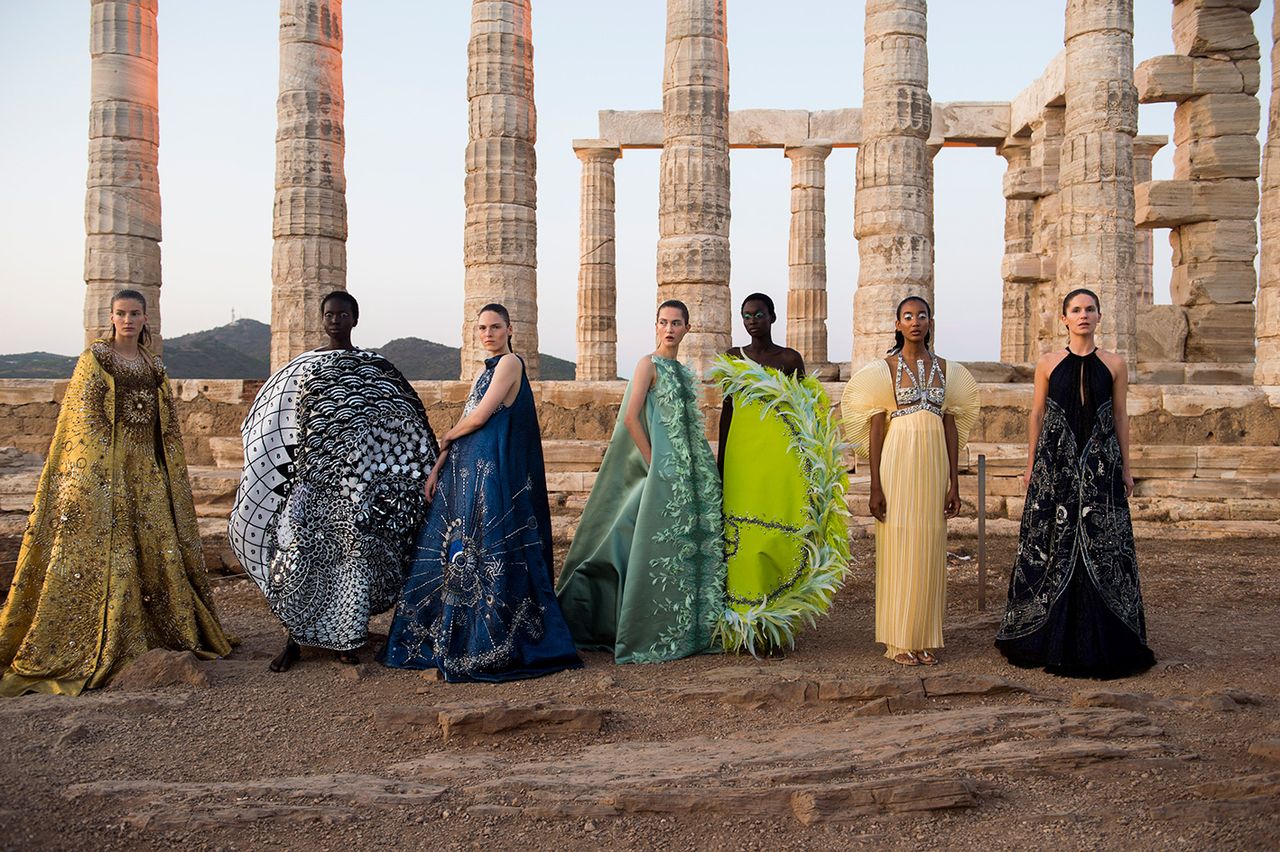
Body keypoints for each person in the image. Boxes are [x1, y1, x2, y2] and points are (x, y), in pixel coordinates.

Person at [0, 289, 232, 696]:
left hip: (147, 473)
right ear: (110, 317)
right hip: (107, 471)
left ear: (146, 319)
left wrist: (164, 469)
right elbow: (83, 420)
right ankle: (105, 637)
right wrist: (106, 472)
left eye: (135, 313)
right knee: (117, 554)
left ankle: (154, 633)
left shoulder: (153, 365)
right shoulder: (96, 360)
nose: (128, 320)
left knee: (157, 548)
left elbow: (166, 424)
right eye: (121, 313)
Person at [229, 291, 439, 671]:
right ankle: (293, 639)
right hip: (310, 481)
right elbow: (279, 420)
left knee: (352, 557)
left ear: (355, 319)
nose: (335, 321)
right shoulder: (303, 368)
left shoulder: (375, 367)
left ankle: (347, 637)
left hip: (356, 487)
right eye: (329, 314)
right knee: (296, 555)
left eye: (343, 315)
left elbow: (405, 417)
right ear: (321, 319)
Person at [381, 304, 581, 682]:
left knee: (492, 546)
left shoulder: (510, 364)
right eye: (482, 328)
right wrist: (439, 464)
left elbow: (478, 417)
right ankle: (460, 636)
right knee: (462, 549)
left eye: (495, 327)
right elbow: (466, 419)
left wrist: (447, 437)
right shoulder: (483, 372)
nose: (488, 334)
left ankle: (493, 640)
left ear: (509, 330)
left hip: (492, 468)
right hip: (468, 467)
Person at [996, 289, 1155, 678]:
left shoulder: (1115, 364)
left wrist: (1126, 468)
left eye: (1089, 309)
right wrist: (1031, 465)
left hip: (1101, 467)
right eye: (1075, 310)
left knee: (1104, 544)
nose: (1083, 316)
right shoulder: (1048, 364)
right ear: (1064, 319)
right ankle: (1047, 631)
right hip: (1057, 466)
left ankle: (1106, 635)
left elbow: (1120, 416)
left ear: (1099, 317)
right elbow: (1036, 416)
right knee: (1053, 541)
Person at [556, 300, 725, 664]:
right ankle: (633, 627)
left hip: (690, 473)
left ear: (687, 329)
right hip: (663, 471)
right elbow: (631, 418)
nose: (669, 329)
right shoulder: (648, 364)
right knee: (641, 542)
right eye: (663, 322)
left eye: (676, 323)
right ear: (656, 325)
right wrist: (655, 464)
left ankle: (689, 628)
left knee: (681, 547)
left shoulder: (682, 371)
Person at [841, 295, 979, 667]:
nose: (915, 321)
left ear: (931, 321)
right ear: (898, 324)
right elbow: (874, 428)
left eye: (922, 315)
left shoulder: (947, 369)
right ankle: (900, 639)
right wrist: (874, 486)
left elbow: (951, 424)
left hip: (934, 462)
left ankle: (922, 638)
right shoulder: (883, 370)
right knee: (899, 542)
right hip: (898, 460)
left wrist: (955, 482)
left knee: (930, 544)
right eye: (907, 316)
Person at [711, 293, 850, 656]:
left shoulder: (790, 359)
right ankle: (743, 623)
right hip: (742, 455)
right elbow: (727, 411)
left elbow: (806, 412)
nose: (752, 320)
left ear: (772, 316)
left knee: (776, 533)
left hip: (780, 457)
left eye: (758, 314)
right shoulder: (731, 358)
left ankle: (774, 622)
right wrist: (721, 459)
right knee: (741, 538)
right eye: (746, 315)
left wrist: (814, 460)